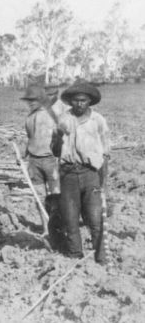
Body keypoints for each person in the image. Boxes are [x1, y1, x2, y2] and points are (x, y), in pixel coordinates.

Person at [54, 83, 108, 263]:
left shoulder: (98, 120)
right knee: (70, 219)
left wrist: (103, 182)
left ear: (89, 101)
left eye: (83, 100)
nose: (79, 104)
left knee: (95, 219)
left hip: (90, 173)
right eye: (75, 100)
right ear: (70, 102)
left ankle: (101, 258)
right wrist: (58, 138)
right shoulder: (63, 119)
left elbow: (105, 152)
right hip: (68, 173)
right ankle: (75, 256)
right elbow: (55, 151)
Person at [20, 85, 60, 232]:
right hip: (34, 162)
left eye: (34, 100)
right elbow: (30, 138)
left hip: (50, 160)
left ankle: (57, 227)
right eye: (28, 100)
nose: (31, 103)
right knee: (39, 197)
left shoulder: (52, 114)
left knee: (55, 196)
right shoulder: (29, 118)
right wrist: (24, 155)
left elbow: (61, 136)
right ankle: (46, 228)